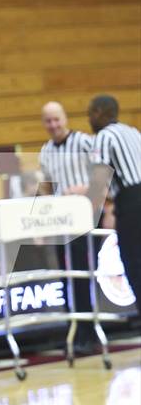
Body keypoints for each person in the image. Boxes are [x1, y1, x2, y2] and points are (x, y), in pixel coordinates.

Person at [39, 101, 97, 352]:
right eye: (48, 121)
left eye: (57, 119)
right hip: (62, 223)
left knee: (84, 276)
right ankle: (75, 331)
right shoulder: (45, 152)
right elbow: (47, 188)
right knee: (66, 278)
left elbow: (104, 175)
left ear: (65, 118)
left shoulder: (85, 142)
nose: (53, 125)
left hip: (86, 220)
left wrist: (84, 189)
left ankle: (89, 332)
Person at [88, 95, 141, 315]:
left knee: (134, 264)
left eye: (91, 113)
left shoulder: (103, 137)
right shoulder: (134, 132)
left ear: (100, 112)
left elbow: (98, 184)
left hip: (131, 203)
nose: (89, 118)